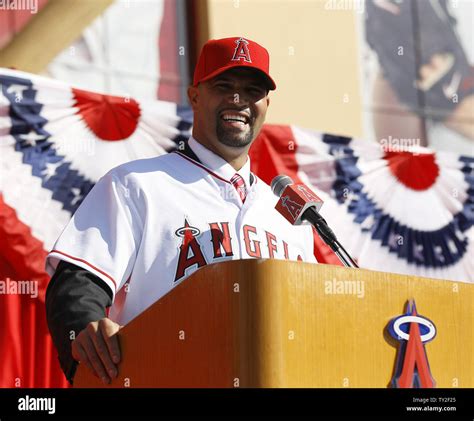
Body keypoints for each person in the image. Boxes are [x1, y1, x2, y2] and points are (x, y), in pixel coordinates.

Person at [45, 36, 318, 385]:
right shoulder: (137, 183)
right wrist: (86, 330)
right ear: (194, 96)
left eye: (252, 90)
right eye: (224, 86)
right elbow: (77, 285)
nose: (239, 99)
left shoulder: (290, 218)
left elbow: (313, 318)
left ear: (266, 103)